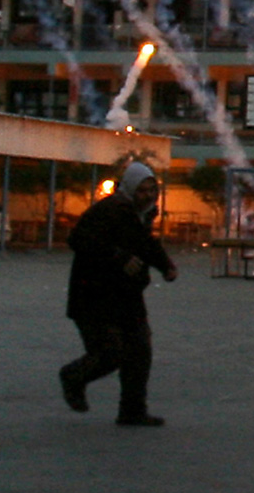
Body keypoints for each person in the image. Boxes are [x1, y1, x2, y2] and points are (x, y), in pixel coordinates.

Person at [60, 162, 178, 427]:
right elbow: (79, 240)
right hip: (94, 296)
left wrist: (165, 266)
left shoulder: (141, 215)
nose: (148, 195)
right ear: (130, 189)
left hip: (126, 296)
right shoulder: (108, 210)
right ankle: (74, 377)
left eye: (152, 190)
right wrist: (117, 256)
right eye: (142, 190)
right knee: (109, 353)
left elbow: (147, 245)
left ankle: (132, 410)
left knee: (139, 351)